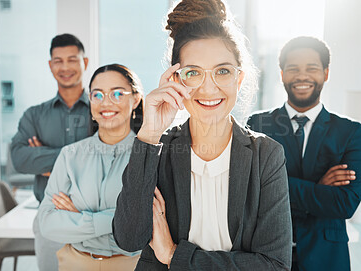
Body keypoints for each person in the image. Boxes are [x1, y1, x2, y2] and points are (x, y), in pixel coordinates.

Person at [113, 0, 292, 270]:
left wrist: (175, 256)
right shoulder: (158, 148)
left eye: (222, 71)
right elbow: (129, 238)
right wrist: (149, 133)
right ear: (176, 80)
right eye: (193, 72)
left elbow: (274, 265)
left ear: (239, 79)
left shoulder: (265, 155)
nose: (209, 88)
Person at [247, 36, 361, 271]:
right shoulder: (258, 124)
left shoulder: (349, 131)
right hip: (267, 254)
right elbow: (250, 189)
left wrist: (275, 185)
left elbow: (346, 203)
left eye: (311, 68)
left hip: (326, 257)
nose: (302, 76)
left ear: (325, 73)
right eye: (293, 68)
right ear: (282, 74)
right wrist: (319, 188)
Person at [37, 64, 143, 271]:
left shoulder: (150, 155)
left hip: (134, 265)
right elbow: (47, 224)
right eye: (98, 95)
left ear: (136, 99)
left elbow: (146, 223)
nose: (106, 103)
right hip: (76, 263)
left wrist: (78, 216)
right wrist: (118, 218)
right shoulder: (70, 155)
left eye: (118, 93)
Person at [10, 33, 90, 271]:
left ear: (84, 63)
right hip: (50, 219)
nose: (65, 67)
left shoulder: (102, 112)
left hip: (93, 217)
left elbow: (108, 158)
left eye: (72, 59)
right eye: (58, 60)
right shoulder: (34, 115)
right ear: (50, 65)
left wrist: (45, 161)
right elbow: (19, 158)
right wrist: (77, 161)